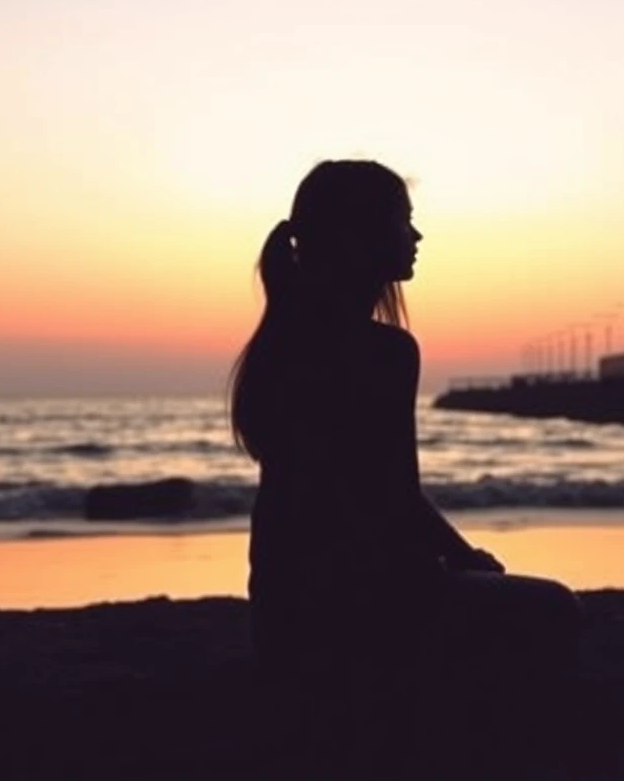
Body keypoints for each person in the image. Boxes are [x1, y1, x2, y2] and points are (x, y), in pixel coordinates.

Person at [229, 159, 583, 774]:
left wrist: (460, 555)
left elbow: (361, 492)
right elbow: (393, 499)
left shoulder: (279, 344)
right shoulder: (385, 351)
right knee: (556, 612)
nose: (416, 238)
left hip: (282, 609)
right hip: (365, 606)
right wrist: (459, 560)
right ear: (358, 237)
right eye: (403, 223)